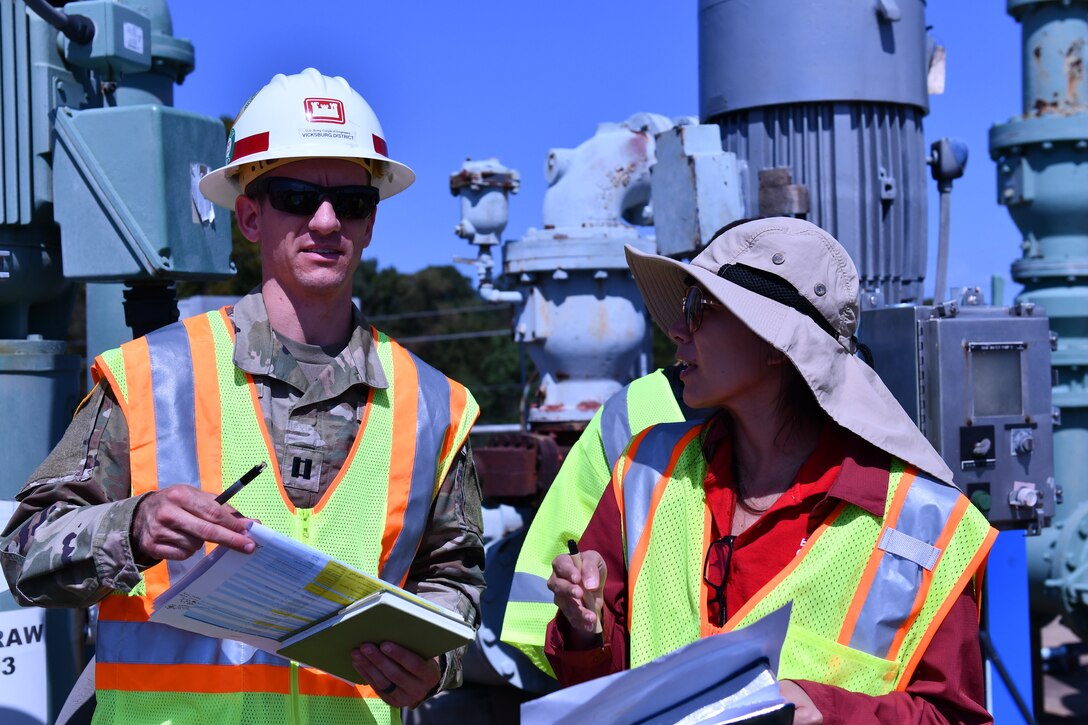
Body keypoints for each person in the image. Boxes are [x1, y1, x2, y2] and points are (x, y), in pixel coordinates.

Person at [1, 68, 485, 724]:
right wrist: (133, 525)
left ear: (371, 223)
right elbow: (24, 553)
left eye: (350, 201)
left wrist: (433, 665)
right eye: (294, 195)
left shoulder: (436, 407)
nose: (325, 221)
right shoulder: (151, 377)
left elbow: (453, 584)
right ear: (251, 216)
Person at [545, 217, 997, 723]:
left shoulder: (926, 523)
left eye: (699, 308)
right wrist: (585, 627)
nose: (675, 329)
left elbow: (953, 717)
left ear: (776, 345)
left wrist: (828, 711)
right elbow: (601, 689)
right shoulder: (645, 469)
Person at [501, 365, 706, 677]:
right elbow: (561, 616)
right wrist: (585, 629)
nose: (680, 331)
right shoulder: (634, 409)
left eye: (703, 314)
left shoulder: (637, 407)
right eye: (686, 313)